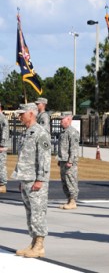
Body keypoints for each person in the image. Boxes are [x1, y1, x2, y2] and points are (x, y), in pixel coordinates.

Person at [12, 103, 51, 258]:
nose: (19, 116)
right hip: (26, 179)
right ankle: (34, 242)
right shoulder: (26, 132)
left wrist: (40, 179)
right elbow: (24, 157)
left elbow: (44, 159)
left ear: (31, 114)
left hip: (36, 180)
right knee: (30, 213)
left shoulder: (40, 133)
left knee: (38, 212)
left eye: (22, 113)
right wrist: (21, 179)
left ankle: (40, 245)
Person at [57, 112, 80, 210]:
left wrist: (70, 161)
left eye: (62, 119)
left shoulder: (72, 132)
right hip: (63, 160)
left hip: (69, 162)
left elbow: (74, 148)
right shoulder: (64, 132)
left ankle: (73, 201)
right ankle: (69, 199)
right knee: (64, 181)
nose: (60, 121)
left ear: (69, 119)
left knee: (71, 180)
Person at [0, 103, 10, 193]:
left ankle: (2, 185)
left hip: (0, 146)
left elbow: (5, 131)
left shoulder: (2, 118)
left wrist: (2, 145)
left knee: (1, 165)